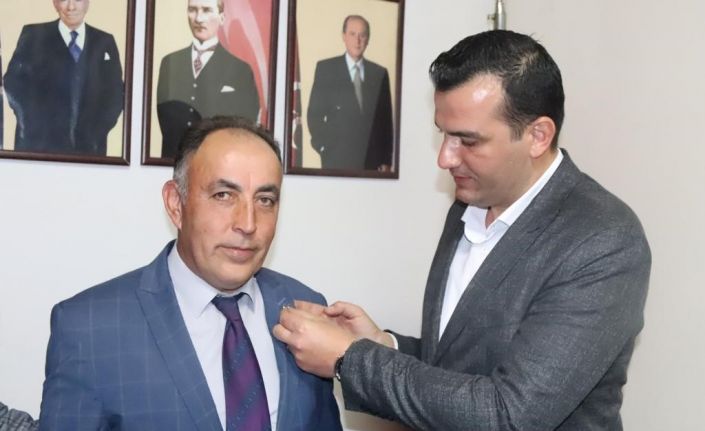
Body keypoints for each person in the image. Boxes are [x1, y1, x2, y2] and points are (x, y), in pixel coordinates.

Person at [274, 30, 651, 430]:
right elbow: (461, 363)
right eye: (443, 133)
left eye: (467, 140)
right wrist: (383, 344)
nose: (445, 158)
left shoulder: (603, 241)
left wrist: (350, 358)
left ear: (538, 136)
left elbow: (509, 414)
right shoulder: (468, 204)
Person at [39, 116, 342, 431]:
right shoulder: (88, 328)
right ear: (175, 203)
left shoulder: (306, 309)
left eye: (265, 200)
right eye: (224, 195)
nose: (248, 224)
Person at [3, 0, 123, 155]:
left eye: (78, 0)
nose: (71, 7)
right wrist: (30, 124)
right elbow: (13, 83)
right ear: (55, 3)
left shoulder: (105, 41)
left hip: (89, 151)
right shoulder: (33, 35)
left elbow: (115, 94)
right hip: (37, 146)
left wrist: (95, 133)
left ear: (87, 3)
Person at [157, 0, 260, 159]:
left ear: (221, 17)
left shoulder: (241, 69)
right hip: (173, 161)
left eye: (206, 10)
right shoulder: (169, 62)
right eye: (192, 10)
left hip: (219, 161)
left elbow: (245, 126)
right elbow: (164, 117)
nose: (198, 18)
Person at [307, 15, 393, 171]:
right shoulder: (326, 69)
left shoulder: (379, 73)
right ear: (344, 36)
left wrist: (386, 160)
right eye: (353, 34)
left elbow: (386, 122)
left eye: (362, 35)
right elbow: (314, 114)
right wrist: (323, 147)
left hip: (371, 164)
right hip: (336, 159)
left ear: (368, 39)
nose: (357, 40)